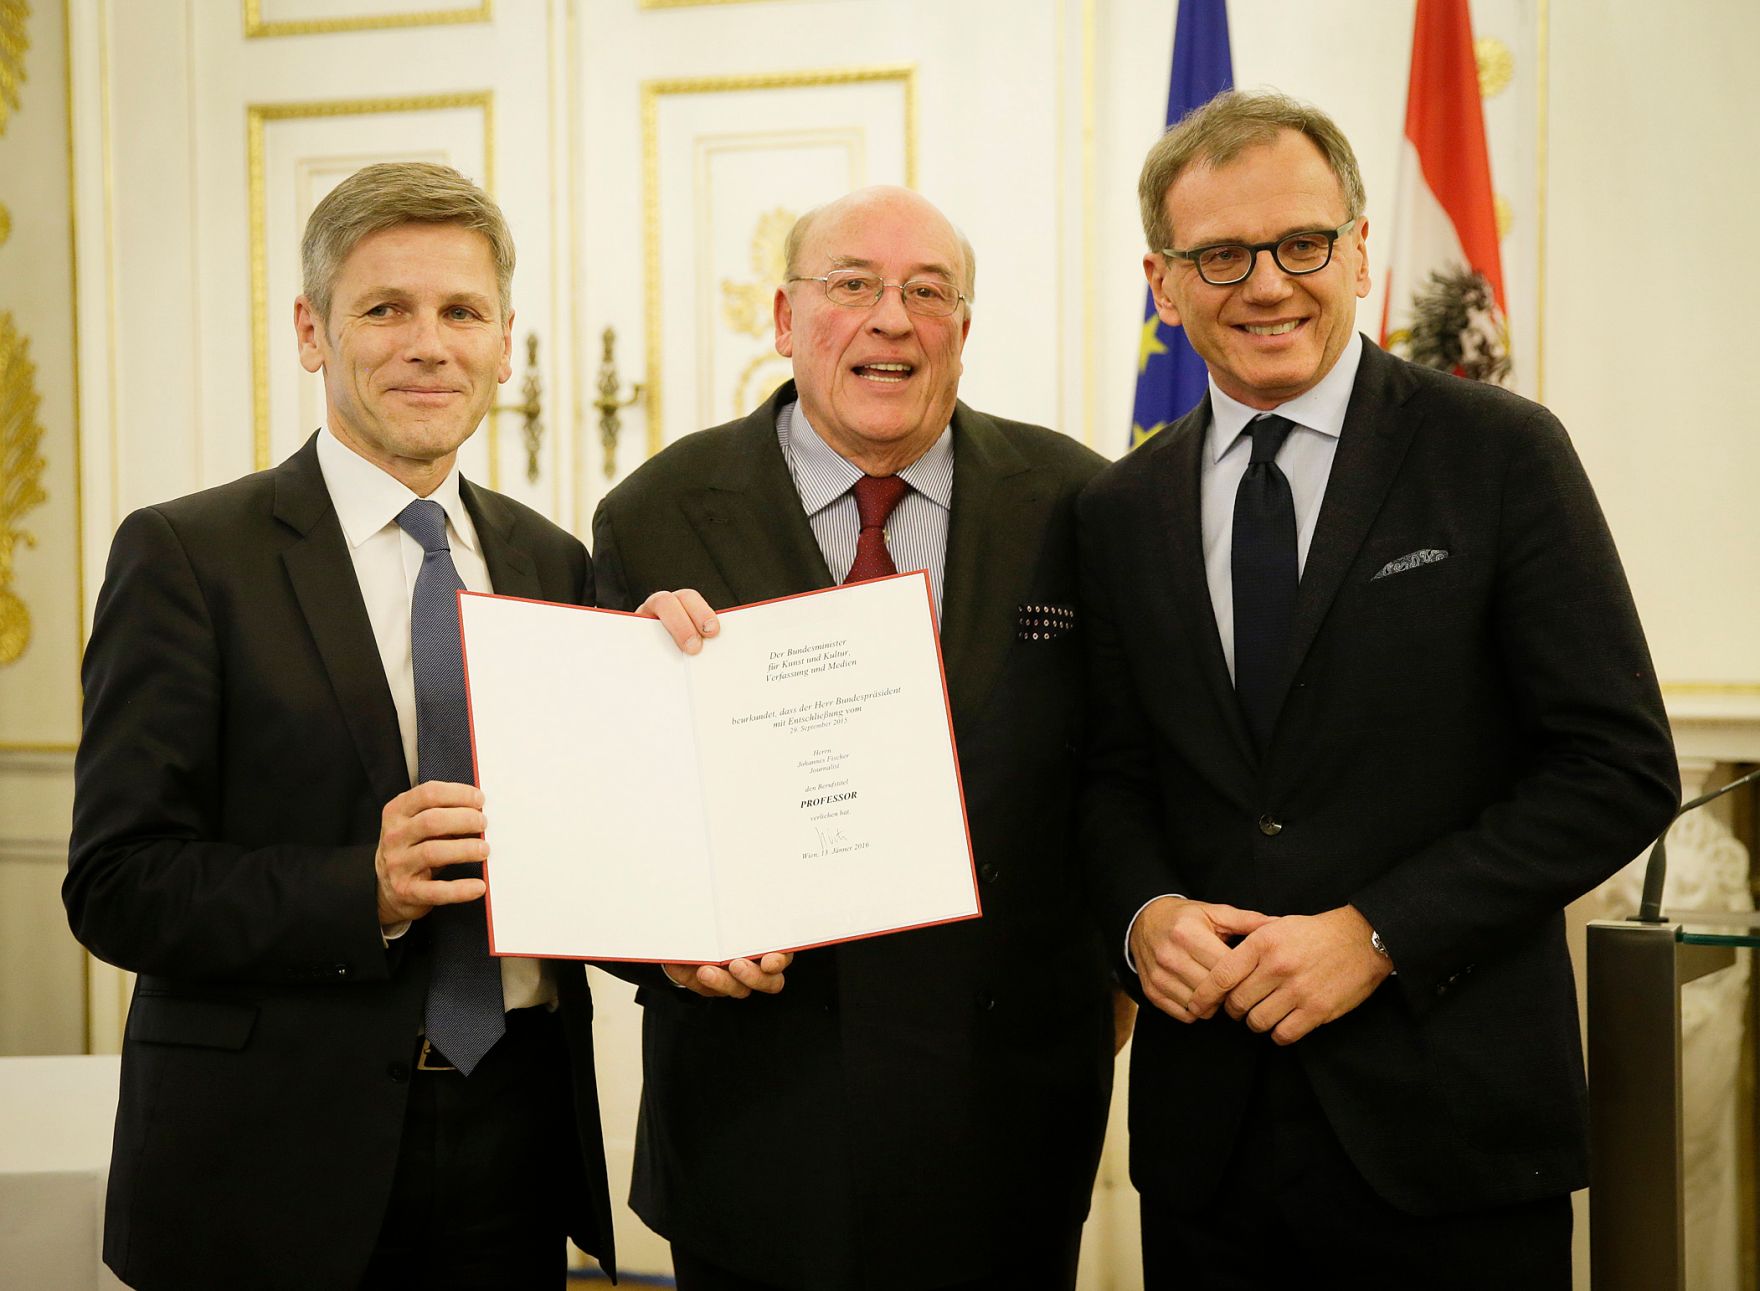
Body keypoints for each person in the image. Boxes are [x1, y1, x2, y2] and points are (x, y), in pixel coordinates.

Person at [63, 161, 727, 1291]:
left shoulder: (549, 562)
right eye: (386, 309)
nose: (429, 344)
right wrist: (357, 890)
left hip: (514, 1140)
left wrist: (672, 704)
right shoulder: (187, 555)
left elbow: (581, 851)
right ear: (312, 330)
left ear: (505, 343)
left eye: (461, 311)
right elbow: (117, 881)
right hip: (268, 1163)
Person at [1079, 90, 1679, 1288]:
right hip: (1212, 1148)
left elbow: (1614, 768)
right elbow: (1105, 777)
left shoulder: (1498, 454)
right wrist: (1143, 917)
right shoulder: (1114, 509)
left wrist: (1377, 934)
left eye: (1302, 243)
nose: (1267, 284)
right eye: (1221, 255)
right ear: (1162, 282)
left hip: (1449, 1136)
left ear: (1361, 248)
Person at [591, 186, 1116, 1291]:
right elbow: (607, 817)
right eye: (850, 286)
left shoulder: (1075, 502)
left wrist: (1122, 957)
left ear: (961, 333)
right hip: (754, 1116)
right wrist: (669, 947)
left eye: (927, 292)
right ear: (783, 321)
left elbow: (1126, 764)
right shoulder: (654, 512)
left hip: (1006, 1113)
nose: (891, 319)